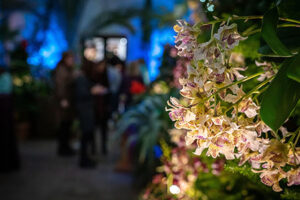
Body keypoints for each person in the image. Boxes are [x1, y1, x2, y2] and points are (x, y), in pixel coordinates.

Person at [54, 51, 75, 156]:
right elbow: (60, 85)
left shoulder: (67, 69)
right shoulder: (62, 70)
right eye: (70, 59)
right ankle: (63, 149)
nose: (72, 61)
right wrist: (62, 99)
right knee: (64, 125)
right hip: (64, 102)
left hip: (68, 101)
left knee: (66, 125)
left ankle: (65, 147)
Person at [0, 65, 20, 172]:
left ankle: (6, 163)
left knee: (5, 137)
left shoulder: (5, 77)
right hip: (6, 110)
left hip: (4, 110)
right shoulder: (7, 77)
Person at [92, 60, 110, 155]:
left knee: (104, 129)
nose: (102, 68)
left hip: (103, 107)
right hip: (96, 107)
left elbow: (108, 89)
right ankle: (93, 148)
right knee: (94, 129)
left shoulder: (105, 76)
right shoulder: (93, 77)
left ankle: (103, 147)